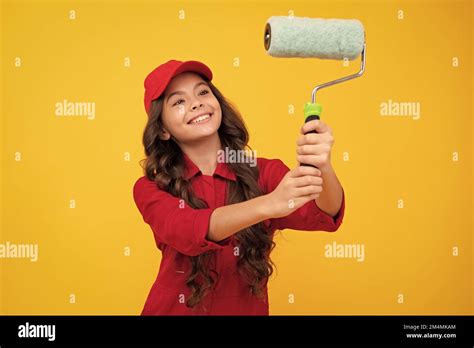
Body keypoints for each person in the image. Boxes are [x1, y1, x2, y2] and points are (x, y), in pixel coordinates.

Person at [133, 59, 345, 315]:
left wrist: (324, 165)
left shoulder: (263, 172)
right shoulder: (150, 188)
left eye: (202, 92)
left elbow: (323, 212)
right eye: (178, 101)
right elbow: (188, 230)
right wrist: (269, 204)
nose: (196, 102)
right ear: (163, 130)